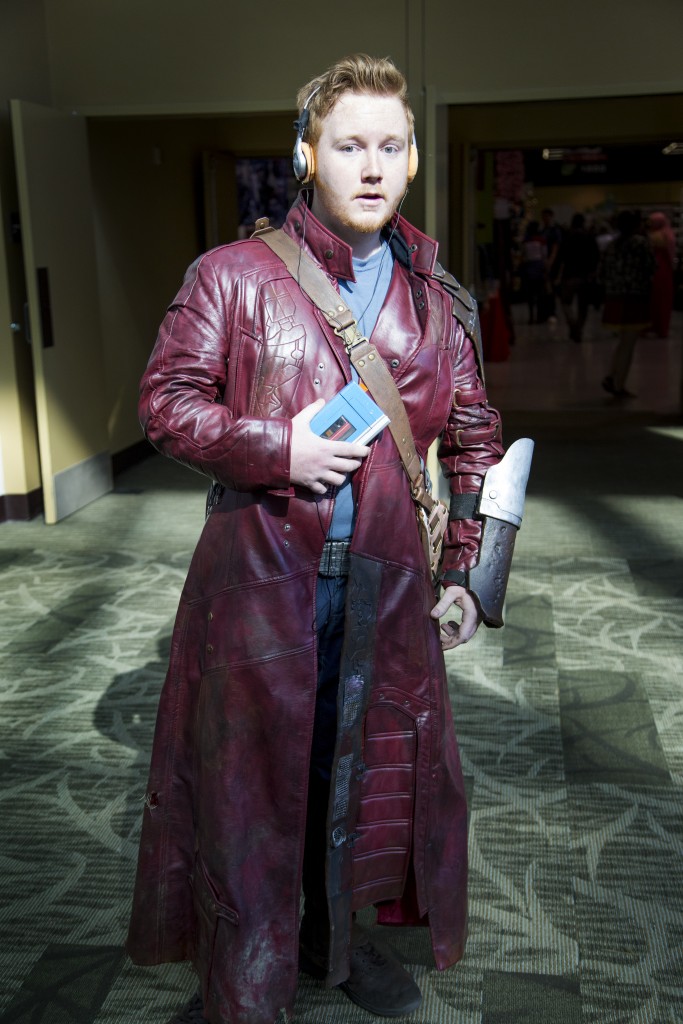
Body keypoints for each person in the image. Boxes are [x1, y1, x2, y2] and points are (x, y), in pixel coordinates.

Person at [126, 54, 524, 1024]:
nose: (372, 165)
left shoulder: (437, 296)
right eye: (349, 145)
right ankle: (241, 983)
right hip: (259, 577)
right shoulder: (231, 276)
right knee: (249, 787)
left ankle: (333, 950)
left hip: (388, 587)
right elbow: (164, 405)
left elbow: (474, 434)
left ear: (414, 157)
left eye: (391, 145)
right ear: (307, 153)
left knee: (363, 769)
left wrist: (471, 574)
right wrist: (277, 447)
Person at [600, 209, 656, 398]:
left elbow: (603, 270)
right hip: (634, 297)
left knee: (623, 341)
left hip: (614, 296)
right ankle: (618, 384)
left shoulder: (612, 245)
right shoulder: (640, 243)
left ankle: (612, 375)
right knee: (629, 343)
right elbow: (651, 267)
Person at [555, 213, 600, 343]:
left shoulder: (567, 236)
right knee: (583, 306)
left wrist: (554, 274)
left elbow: (560, 256)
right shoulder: (589, 236)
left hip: (569, 274)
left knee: (565, 302)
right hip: (585, 276)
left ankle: (573, 324)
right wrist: (593, 271)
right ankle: (578, 328)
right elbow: (596, 255)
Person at [646, 211, 676, 338]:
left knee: (651, 301)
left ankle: (650, 326)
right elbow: (671, 256)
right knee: (664, 301)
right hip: (665, 271)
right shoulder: (669, 235)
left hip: (652, 271)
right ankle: (662, 328)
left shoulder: (651, 236)